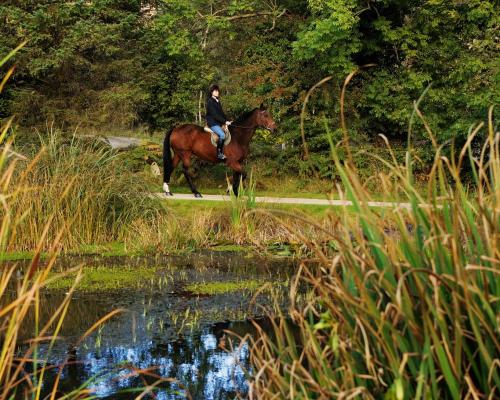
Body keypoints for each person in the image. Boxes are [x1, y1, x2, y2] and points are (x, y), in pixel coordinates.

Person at [206, 84, 232, 160]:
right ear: (212, 92)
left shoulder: (217, 101)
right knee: (222, 135)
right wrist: (225, 122)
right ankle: (219, 153)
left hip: (218, 122)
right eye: (215, 91)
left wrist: (228, 120)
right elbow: (215, 115)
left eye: (218, 91)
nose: (217, 92)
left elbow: (222, 113)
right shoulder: (210, 102)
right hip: (213, 123)